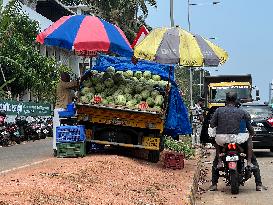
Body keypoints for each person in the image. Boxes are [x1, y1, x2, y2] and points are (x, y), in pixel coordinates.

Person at [209, 91, 266, 191]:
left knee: (215, 152)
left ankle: (214, 183)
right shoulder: (242, 111)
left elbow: (212, 124)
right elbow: (249, 122)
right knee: (253, 157)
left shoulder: (218, 110)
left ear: (226, 100)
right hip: (238, 139)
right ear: (236, 100)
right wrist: (252, 133)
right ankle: (258, 183)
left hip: (222, 140)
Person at [52, 72, 79, 153]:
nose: (68, 78)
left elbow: (75, 94)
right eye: (66, 77)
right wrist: (80, 80)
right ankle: (56, 148)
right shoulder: (61, 85)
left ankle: (64, 147)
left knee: (64, 131)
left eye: (68, 77)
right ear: (62, 78)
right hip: (59, 109)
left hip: (66, 111)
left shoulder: (69, 90)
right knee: (57, 130)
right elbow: (73, 84)